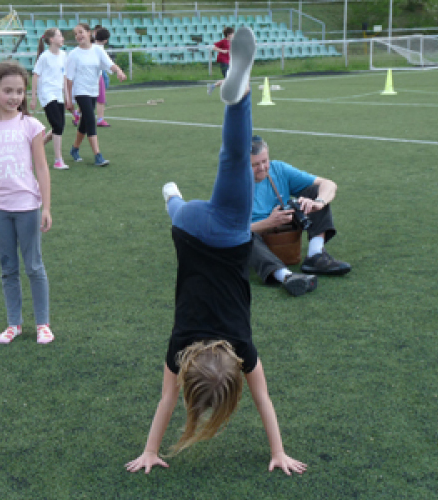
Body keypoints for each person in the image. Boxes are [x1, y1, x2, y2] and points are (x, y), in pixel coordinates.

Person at [126, 27, 306, 476]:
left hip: (226, 233)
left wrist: (278, 451)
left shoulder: (243, 347)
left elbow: (263, 398)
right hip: (187, 232)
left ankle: (238, 92)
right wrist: (149, 450)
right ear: (187, 371)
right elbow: (167, 399)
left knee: (233, 160)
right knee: (181, 204)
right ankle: (171, 194)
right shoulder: (178, 349)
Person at [0, 60, 55, 345]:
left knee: (34, 266)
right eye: (8, 90)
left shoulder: (31, 125)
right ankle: (14, 323)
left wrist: (47, 207)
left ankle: (43, 324)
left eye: (19, 91)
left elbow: (42, 167)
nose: (14, 97)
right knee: (8, 267)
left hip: (27, 206)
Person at [249, 138, 352, 297]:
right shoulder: (232, 183)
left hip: (282, 227)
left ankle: (315, 256)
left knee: (313, 192)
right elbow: (227, 231)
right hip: (255, 237)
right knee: (245, 236)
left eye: (265, 161)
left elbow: (329, 184)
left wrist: (318, 202)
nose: (262, 168)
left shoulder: (278, 169)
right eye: (255, 165)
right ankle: (286, 276)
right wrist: (268, 223)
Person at [65, 23, 127, 167]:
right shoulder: (73, 54)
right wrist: (69, 99)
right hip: (80, 91)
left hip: (93, 90)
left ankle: (74, 149)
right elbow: (69, 79)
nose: (78, 36)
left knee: (85, 123)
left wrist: (119, 71)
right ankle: (98, 155)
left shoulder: (98, 51)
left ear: (89, 33)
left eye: (81, 32)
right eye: (76, 34)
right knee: (91, 120)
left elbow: (110, 64)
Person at [30, 27, 70, 170]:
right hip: (47, 94)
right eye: (60, 36)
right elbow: (35, 76)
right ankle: (58, 160)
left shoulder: (64, 55)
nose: (62, 38)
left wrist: (67, 96)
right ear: (52, 40)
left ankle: (35, 146)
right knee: (57, 126)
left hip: (58, 94)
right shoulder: (44, 57)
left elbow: (64, 76)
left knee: (59, 127)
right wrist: (33, 97)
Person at [207, 27, 234, 96]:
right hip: (224, 62)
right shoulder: (223, 41)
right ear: (228, 34)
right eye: (232, 33)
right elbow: (214, 47)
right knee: (229, 79)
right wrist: (222, 50)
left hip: (229, 62)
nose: (234, 35)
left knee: (229, 79)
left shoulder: (231, 42)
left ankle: (212, 86)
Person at [93, 27, 112, 128]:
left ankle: (78, 114)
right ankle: (100, 119)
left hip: (92, 76)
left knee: (89, 98)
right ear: (105, 40)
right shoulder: (99, 49)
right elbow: (108, 63)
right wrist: (117, 71)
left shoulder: (91, 46)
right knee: (101, 98)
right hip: (96, 76)